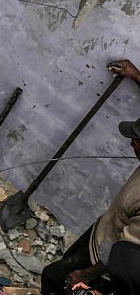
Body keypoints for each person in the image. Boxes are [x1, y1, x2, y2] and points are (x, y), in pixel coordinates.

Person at [40, 115, 140, 295]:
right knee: (64, 267)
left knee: (52, 277)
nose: (131, 143)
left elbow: (124, 258)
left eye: (137, 140)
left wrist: (86, 274)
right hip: (100, 235)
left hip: (105, 263)